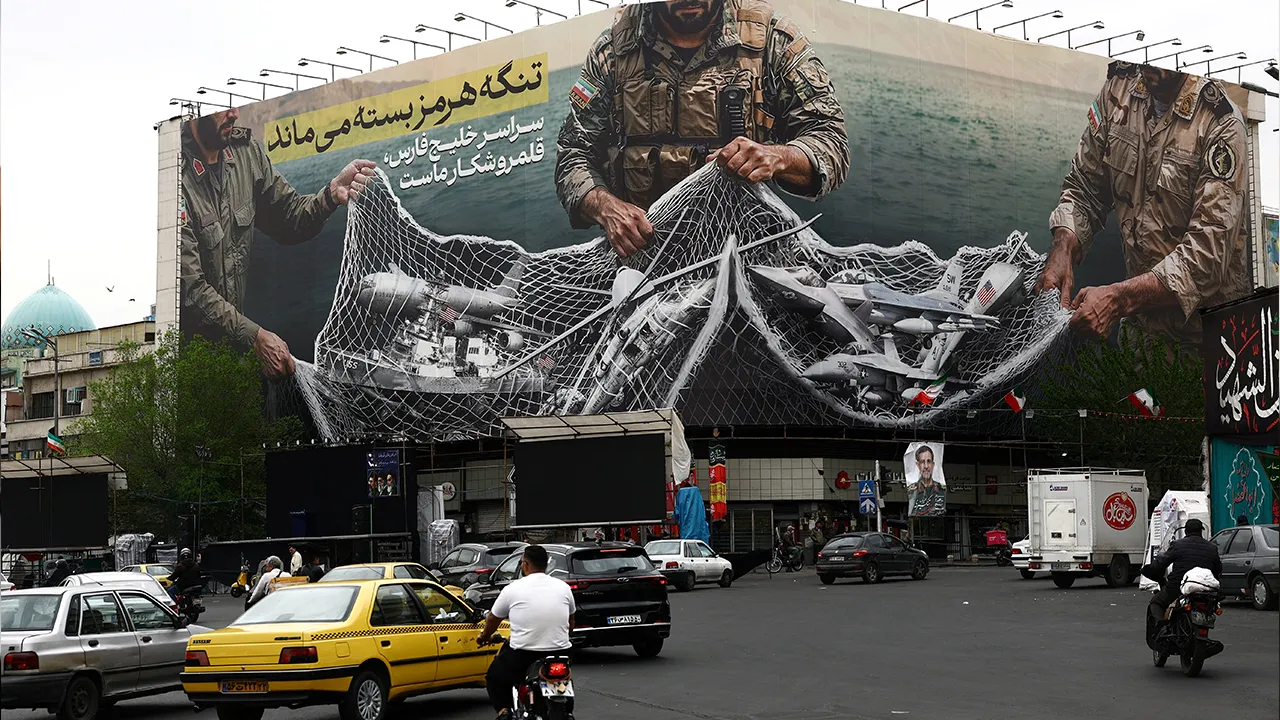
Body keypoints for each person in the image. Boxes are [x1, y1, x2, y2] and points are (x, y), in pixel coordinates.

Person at [555, 0, 849, 258]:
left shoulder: (772, 40)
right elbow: (573, 154)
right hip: (642, 258)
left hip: (747, 252)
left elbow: (830, 140)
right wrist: (605, 207)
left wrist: (778, 156)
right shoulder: (612, 51)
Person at [1036, 61, 1250, 352]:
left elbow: (1207, 257)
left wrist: (1118, 300)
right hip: (1140, 336)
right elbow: (1085, 187)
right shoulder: (1119, 90)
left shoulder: (1220, 122)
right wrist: (1063, 246)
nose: (1147, 64)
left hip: (1210, 345)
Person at [179, 108, 376, 377]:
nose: (235, 114)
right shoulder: (174, 177)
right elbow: (191, 289)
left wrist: (330, 196)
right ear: (195, 113)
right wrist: (256, 338)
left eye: (236, 105)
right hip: (191, 369)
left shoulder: (246, 153)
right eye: (224, 108)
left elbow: (289, 218)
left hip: (237, 360)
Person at [478, 546, 576, 720]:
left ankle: (504, 713)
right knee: (564, 678)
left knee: (494, 677)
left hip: (523, 654)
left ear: (525, 564)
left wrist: (484, 636)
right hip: (560, 651)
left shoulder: (512, 589)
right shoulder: (563, 587)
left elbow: (493, 618)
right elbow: (571, 623)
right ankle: (567, 710)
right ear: (547, 565)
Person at [1140, 518, 1222, 649]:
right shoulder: (1212, 548)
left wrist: (1153, 568)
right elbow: (1218, 570)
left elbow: (1162, 562)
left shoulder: (1177, 545)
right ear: (1201, 531)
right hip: (1205, 591)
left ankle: (1163, 628)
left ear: (1186, 531)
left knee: (1156, 602)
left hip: (1178, 588)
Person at [908, 445, 945, 517]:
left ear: (933, 464)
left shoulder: (941, 490)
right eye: (922, 462)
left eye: (929, 461)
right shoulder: (912, 491)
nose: (926, 466)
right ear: (918, 465)